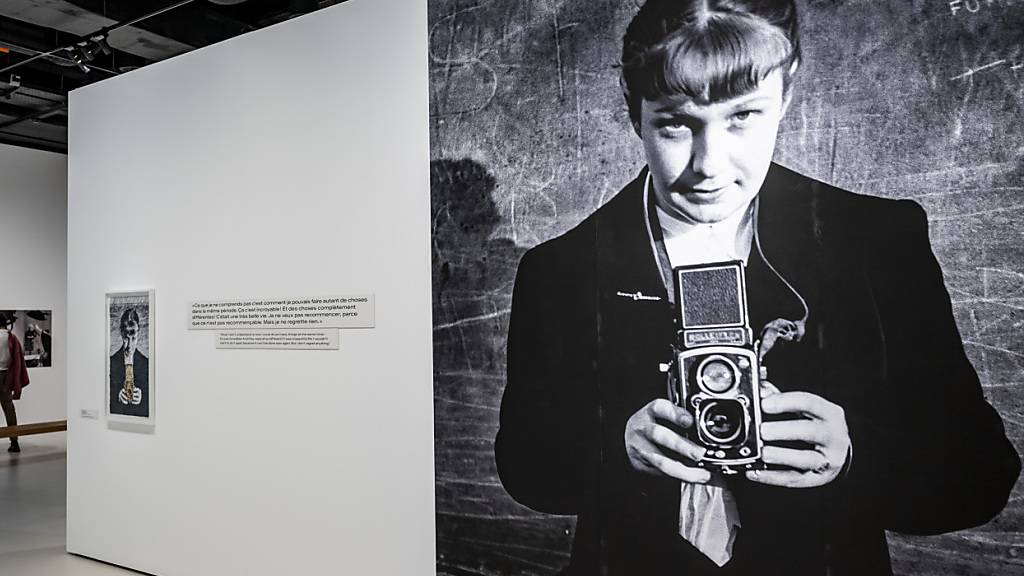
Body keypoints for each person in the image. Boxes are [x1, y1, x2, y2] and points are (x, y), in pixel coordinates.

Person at [494, 1, 1021, 575]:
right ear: (633, 112)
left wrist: (853, 455)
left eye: (743, 117)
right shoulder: (560, 268)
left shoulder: (877, 242)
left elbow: (982, 474)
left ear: (786, 98)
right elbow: (525, 469)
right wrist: (613, 450)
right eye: (675, 122)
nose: (710, 165)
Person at [109, 308, 149, 418]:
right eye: (126, 338)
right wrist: (117, 396)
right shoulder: (111, 363)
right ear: (122, 334)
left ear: (138, 333)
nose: (130, 345)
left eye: (134, 338)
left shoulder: (146, 364)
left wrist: (143, 397)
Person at [0, 311, 29, 453]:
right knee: (9, 409)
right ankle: (14, 442)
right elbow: (17, 361)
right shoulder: (11, 338)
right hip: (6, 377)